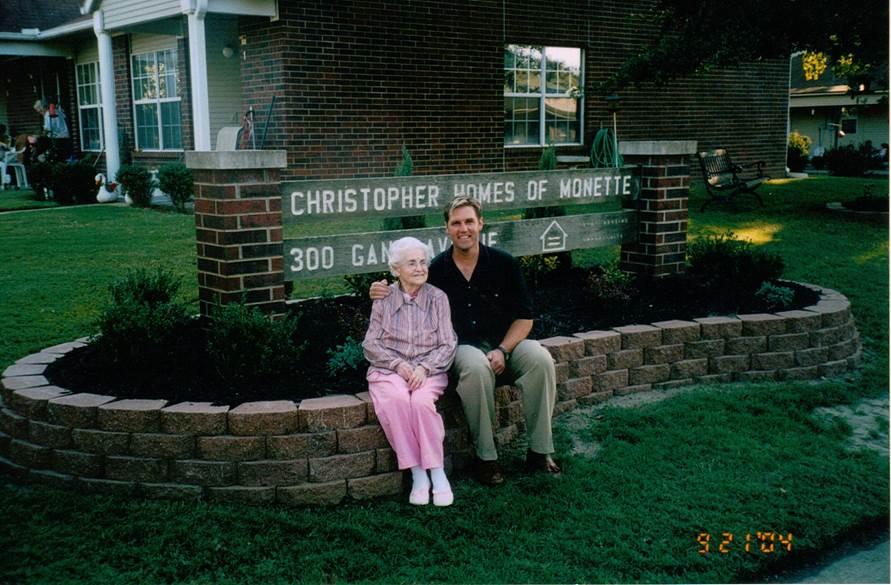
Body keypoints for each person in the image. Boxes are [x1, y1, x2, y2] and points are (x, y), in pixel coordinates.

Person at [371, 196, 560, 486]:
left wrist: (503, 349)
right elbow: (407, 286)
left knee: (540, 359)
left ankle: (540, 451)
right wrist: (381, 288)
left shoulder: (504, 263)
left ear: (480, 223)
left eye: (469, 221)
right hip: (461, 348)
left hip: (505, 343)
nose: (464, 229)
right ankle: (486, 458)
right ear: (447, 228)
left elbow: (524, 318)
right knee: (475, 366)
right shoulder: (437, 270)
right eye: (456, 223)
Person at [363, 237, 458, 506]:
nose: (419, 268)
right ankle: (418, 473)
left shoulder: (438, 298)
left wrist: (424, 368)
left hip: (428, 369)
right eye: (412, 263)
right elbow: (370, 343)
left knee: (420, 403)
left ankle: (437, 471)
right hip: (390, 370)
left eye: (423, 262)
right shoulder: (383, 298)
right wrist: (398, 365)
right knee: (396, 400)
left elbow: (448, 342)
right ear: (396, 269)